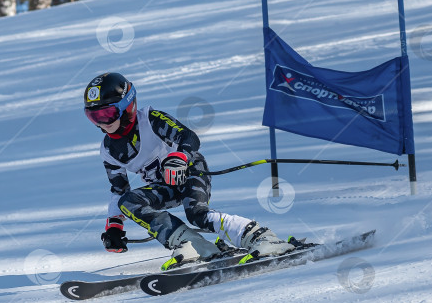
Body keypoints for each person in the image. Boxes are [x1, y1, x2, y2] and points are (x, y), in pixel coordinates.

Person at [83, 72, 295, 270]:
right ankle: (192, 244)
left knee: (197, 214)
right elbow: (118, 189)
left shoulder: (150, 119)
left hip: (189, 170)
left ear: (127, 106)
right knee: (128, 201)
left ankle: (262, 238)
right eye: (94, 117)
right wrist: (114, 226)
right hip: (165, 185)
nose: (103, 123)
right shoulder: (109, 149)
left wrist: (180, 156)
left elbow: (189, 137)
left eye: (108, 114)